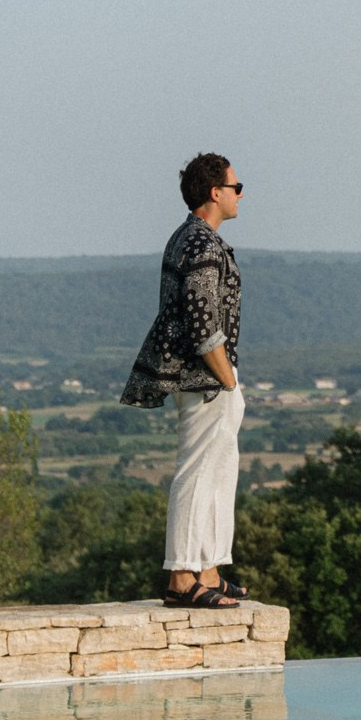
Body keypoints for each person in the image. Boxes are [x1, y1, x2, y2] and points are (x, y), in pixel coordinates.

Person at [121, 152, 248, 610]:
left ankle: (208, 569)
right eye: (236, 187)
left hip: (209, 379)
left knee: (218, 473)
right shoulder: (200, 244)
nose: (240, 196)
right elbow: (202, 322)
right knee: (197, 473)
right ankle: (181, 576)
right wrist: (228, 380)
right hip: (205, 379)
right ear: (215, 192)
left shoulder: (191, 238)